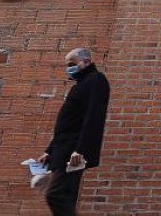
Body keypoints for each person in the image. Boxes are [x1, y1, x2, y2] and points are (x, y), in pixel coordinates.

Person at [37, 47, 110, 216]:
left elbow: (93, 118)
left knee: (56, 196)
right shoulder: (80, 85)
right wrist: (50, 151)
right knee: (65, 197)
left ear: (86, 62)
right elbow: (68, 124)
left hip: (73, 153)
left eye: (72, 64)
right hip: (64, 150)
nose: (68, 68)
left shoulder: (95, 80)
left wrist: (81, 151)